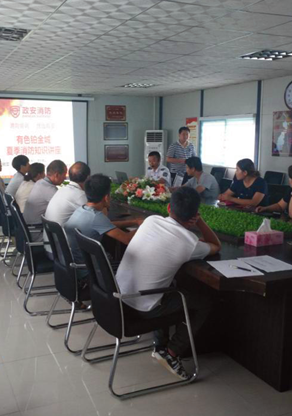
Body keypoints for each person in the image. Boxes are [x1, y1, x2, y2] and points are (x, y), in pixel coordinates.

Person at [115, 188, 220, 379]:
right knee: (204, 303)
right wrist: (200, 221)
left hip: (119, 297)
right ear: (194, 214)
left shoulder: (151, 220)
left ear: (169, 207)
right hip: (143, 308)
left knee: (167, 287)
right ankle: (171, 352)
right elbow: (215, 245)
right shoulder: (189, 242)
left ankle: (160, 346)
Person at [64, 174, 143, 273]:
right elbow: (127, 239)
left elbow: (108, 225)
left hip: (78, 266)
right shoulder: (97, 217)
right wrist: (144, 225)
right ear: (106, 197)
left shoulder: (81, 209)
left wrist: (134, 222)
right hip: (92, 271)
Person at [44, 162, 91, 259]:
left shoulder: (63, 189)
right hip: (64, 253)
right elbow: (96, 219)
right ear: (88, 178)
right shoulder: (79, 195)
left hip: (51, 248)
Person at [24, 160, 67, 242]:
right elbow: (64, 209)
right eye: (64, 174)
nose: (65, 178)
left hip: (31, 229)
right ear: (57, 175)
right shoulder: (50, 190)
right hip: (37, 232)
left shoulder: (40, 182)